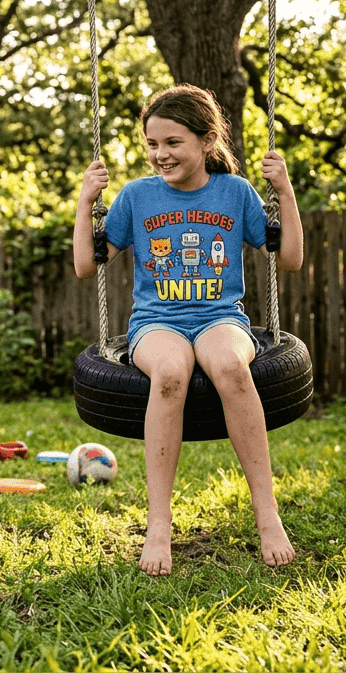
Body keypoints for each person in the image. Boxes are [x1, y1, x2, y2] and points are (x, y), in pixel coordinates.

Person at [73, 84, 302, 576]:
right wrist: (85, 202)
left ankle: (267, 515)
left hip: (222, 318)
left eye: (173, 142)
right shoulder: (136, 196)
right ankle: (159, 524)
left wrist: (284, 190)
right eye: (152, 144)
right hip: (156, 322)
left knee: (229, 366)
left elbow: (290, 259)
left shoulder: (236, 192)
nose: (161, 154)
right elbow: (86, 267)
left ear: (205, 140)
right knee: (171, 373)